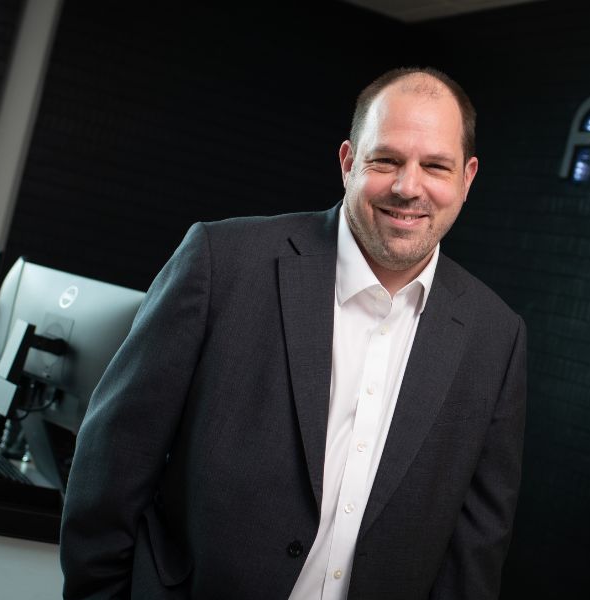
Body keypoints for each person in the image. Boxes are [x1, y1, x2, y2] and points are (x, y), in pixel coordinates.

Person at [59, 67, 527, 600]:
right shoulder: (222, 262)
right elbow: (113, 461)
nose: (407, 187)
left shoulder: (496, 337)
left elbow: (477, 548)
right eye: (386, 160)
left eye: (435, 167)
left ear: (467, 179)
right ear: (349, 162)